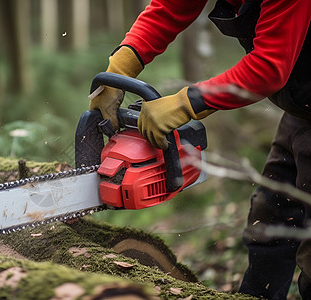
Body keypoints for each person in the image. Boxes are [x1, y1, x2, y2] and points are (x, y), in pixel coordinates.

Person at [89, 1, 311, 299]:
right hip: (302, 108)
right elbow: (169, 8)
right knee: (272, 217)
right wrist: (121, 67)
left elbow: (269, 67)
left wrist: (185, 103)